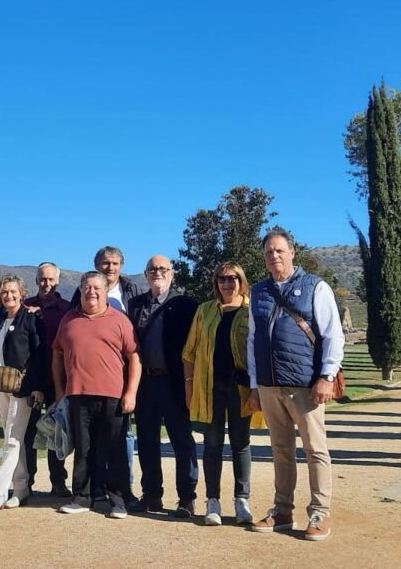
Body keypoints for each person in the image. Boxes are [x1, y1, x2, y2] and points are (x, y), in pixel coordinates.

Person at [247, 229, 344, 541]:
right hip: (268, 384)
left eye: (279, 250)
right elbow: (252, 340)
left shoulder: (315, 286)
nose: (274, 256)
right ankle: (283, 510)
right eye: (268, 252)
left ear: (292, 253)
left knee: (315, 449)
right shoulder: (259, 292)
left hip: (305, 384)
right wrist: (254, 384)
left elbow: (333, 335)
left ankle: (320, 512)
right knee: (281, 449)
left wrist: (327, 376)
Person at [53, 272, 140, 519]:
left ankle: (118, 500)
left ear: (105, 290)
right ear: (80, 291)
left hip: (113, 396)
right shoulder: (69, 319)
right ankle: (82, 496)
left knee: (115, 450)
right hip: (78, 395)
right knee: (83, 449)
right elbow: (57, 355)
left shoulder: (120, 320)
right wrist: (61, 391)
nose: (92, 292)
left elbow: (134, 357)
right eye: (87, 287)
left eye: (97, 287)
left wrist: (131, 392)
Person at [183, 261, 257, 527]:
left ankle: (241, 501)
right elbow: (189, 352)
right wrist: (189, 386)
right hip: (210, 388)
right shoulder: (205, 311)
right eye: (222, 279)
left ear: (241, 281)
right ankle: (212, 501)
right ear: (216, 283)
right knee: (212, 444)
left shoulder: (252, 310)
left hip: (240, 388)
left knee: (241, 443)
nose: (227, 283)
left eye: (233, 278)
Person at [127, 255, 199, 517]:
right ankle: (152, 495)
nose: (157, 273)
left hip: (175, 382)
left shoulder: (186, 305)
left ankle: (186, 499)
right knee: (147, 441)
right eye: (152, 269)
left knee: (182, 440)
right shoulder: (134, 305)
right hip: (145, 382)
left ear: (172, 273)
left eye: (162, 269)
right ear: (145, 275)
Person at [69, 246, 141, 501]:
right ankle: (93, 489)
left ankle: (123, 491)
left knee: (121, 441)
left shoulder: (131, 293)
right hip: (84, 384)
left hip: (118, 381)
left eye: (115, 263)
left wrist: (130, 389)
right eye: (105, 263)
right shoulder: (80, 297)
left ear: (121, 266)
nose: (110, 267)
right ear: (96, 265)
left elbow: (133, 350)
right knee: (88, 443)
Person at [0, 276, 46, 513]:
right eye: (5, 292)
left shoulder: (31, 319)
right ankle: (21, 488)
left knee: (12, 438)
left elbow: (40, 355)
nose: (8, 296)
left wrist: (39, 387)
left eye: (13, 292)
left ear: (22, 293)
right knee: (14, 438)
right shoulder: (0, 318)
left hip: (22, 387)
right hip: (0, 385)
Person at [22, 262, 71, 498]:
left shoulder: (69, 309)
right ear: (36, 280)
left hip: (58, 380)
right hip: (31, 381)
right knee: (28, 433)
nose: (47, 283)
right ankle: (27, 480)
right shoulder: (25, 306)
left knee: (56, 432)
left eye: (51, 279)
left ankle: (58, 481)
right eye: (43, 279)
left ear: (58, 281)